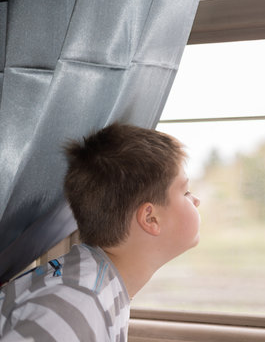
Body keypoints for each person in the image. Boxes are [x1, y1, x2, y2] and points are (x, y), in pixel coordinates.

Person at [0, 123, 201, 341]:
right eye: (186, 192)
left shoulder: (95, 288)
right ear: (150, 218)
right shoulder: (76, 306)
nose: (196, 200)